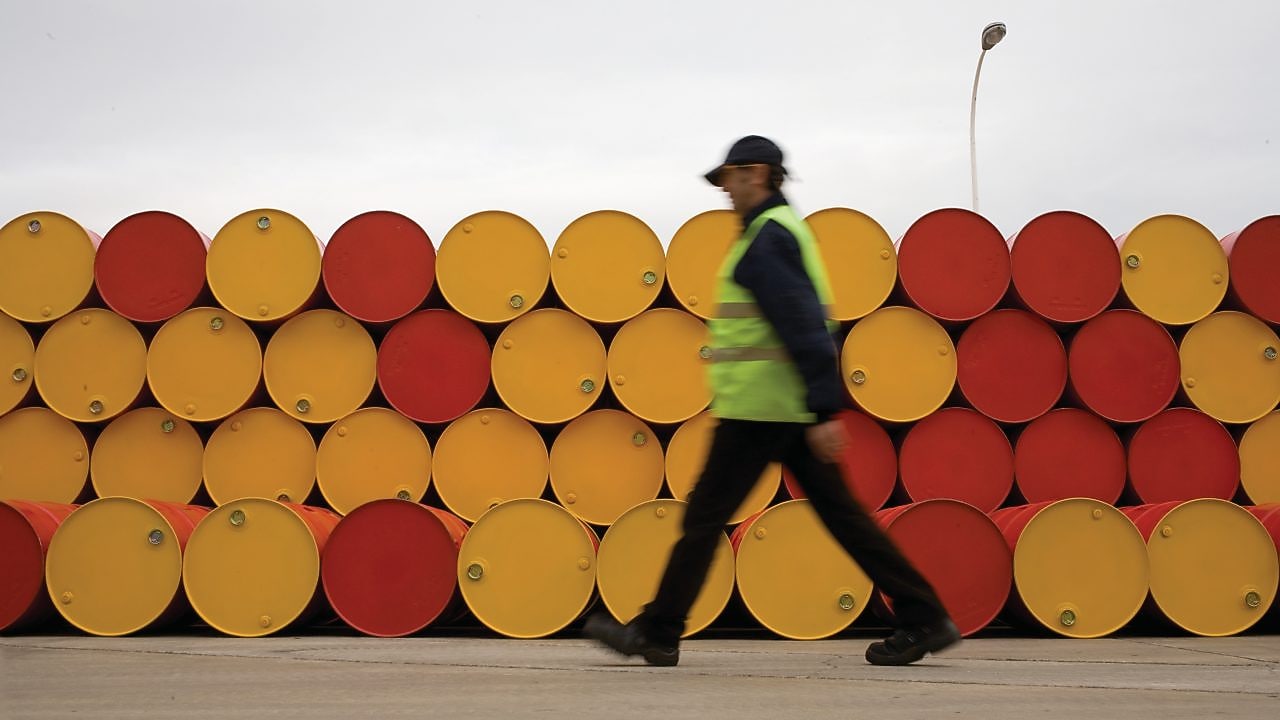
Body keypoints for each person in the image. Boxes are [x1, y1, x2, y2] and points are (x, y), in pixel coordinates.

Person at [584, 135, 960, 667]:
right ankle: (925, 618)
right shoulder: (777, 232)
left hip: (763, 414)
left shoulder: (767, 239)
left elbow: (805, 326)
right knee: (837, 518)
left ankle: (659, 630)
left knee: (706, 520)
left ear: (756, 174)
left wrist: (824, 411)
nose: (725, 191)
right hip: (775, 411)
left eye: (731, 179)